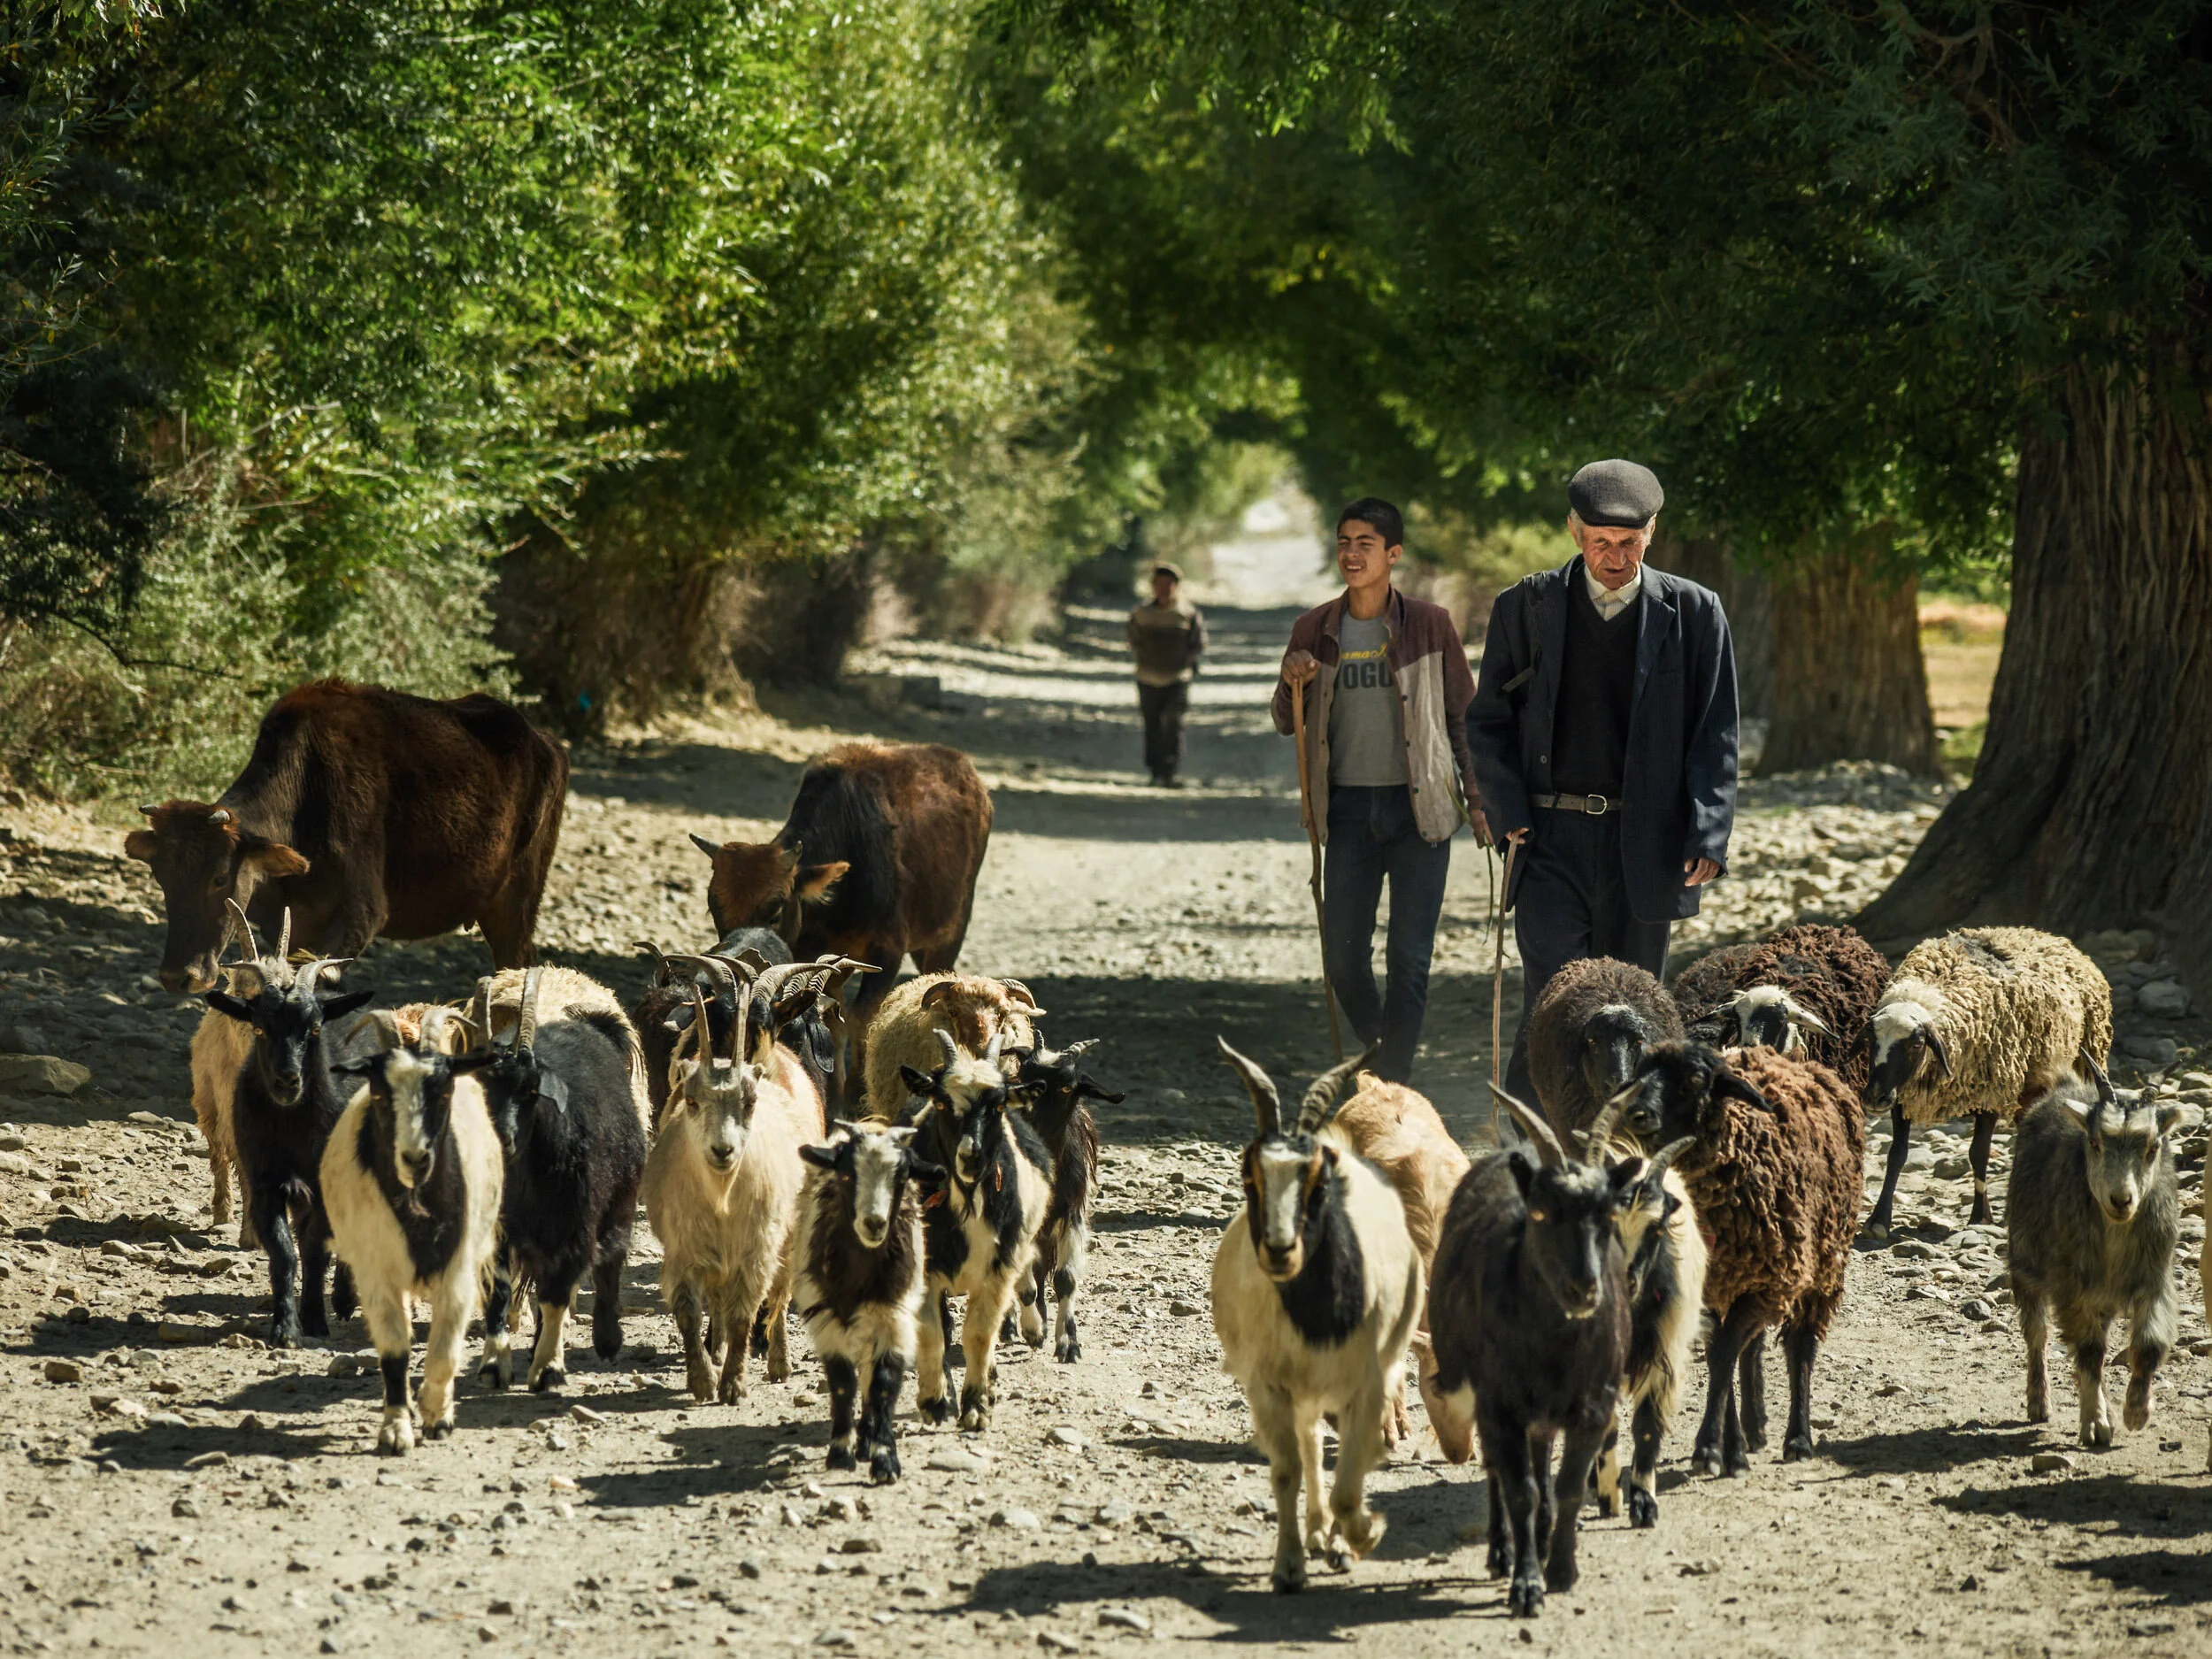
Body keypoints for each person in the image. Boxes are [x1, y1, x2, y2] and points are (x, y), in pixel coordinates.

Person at [1465, 459, 1739, 1112]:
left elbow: (1715, 732)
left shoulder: (1696, 612)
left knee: (1634, 1006)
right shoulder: (1524, 607)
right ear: (1573, 530)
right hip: (1549, 835)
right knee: (1557, 1000)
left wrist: (1708, 830)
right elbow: (1487, 723)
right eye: (1600, 542)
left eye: (1629, 542)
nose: (1615, 558)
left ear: (1652, 531)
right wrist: (1506, 811)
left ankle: (1626, 1138)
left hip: (1649, 842)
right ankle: (1538, 1134)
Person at [1273, 499, 1483, 1083]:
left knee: (1409, 961)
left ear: (1393, 554)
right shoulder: (1313, 628)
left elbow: (1464, 718)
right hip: (1345, 811)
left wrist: (1479, 800)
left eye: (1366, 543)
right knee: (1343, 960)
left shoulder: (1431, 624)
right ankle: (1383, 1047)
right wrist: (1292, 680)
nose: (1352, 553)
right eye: (1344, 541)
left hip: (1420, 811)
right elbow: (1286, 720)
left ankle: (1393, 1082)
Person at [1127, 561, 1207, 787]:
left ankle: (1170, 771)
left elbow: (1198, 643)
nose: (1164, 589)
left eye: (1169, 584)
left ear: (1176, 586)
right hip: (1147, 677)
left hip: (1177, 678)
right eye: (1159, 584)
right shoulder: (1142, 614)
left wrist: (1188, 663)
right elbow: (1133, 639)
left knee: (1173, 724)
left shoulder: (1187, 613)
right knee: (1152, 724)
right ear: (1153, 586)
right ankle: (1155, 771)